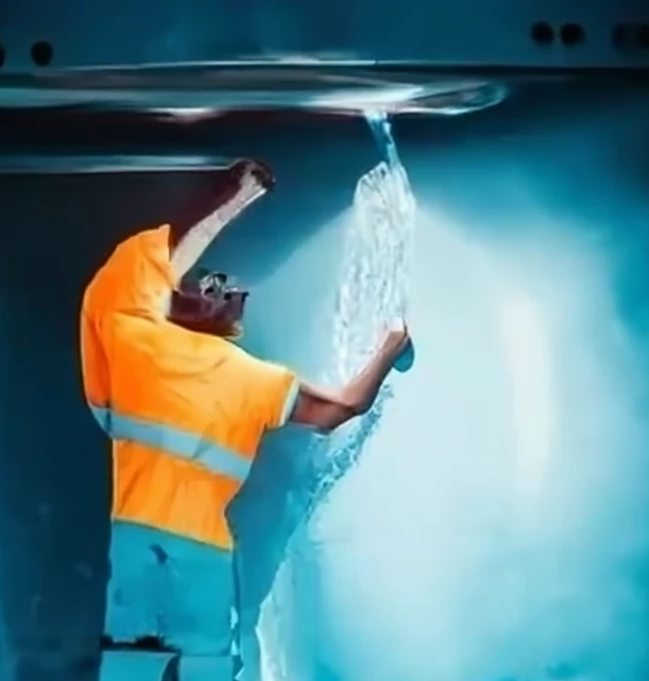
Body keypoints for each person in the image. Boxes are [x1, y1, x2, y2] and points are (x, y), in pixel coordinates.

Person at [79, 158, 411, 652]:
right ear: (181, 303)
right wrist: (390, 347)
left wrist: (236, 193)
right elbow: (341, 408)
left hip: (136, 545)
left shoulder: (134, 345)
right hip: (203, 553)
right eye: (216, 286)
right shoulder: (249, 379)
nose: (235, 292)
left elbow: (143, 269)